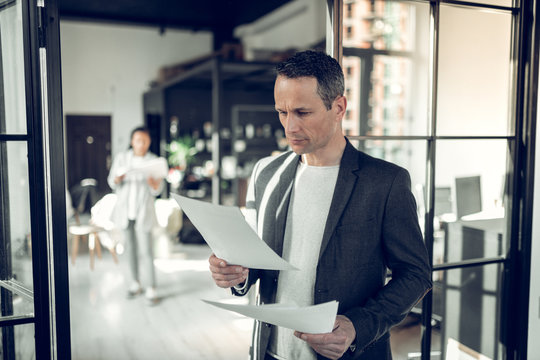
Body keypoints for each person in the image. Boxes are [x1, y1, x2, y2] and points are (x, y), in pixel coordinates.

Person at [208, 50, 432, 360]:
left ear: (338, 107)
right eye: (282, 112)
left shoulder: (385, 182)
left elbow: (416, 275)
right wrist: (237, 273)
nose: (290, 126)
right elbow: (260, 258)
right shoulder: (266, 172)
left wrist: (356, 326)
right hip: (270, 351)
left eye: (302, 112)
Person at [108, 126, 164, 305]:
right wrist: (117, 179)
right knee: (130, 249)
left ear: (149, 142)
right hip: (125, 212)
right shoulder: (122, 158)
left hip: (143, 212)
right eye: (138, 140)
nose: (141, 144)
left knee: (147, 251)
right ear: (132, 141)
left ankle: (152, 288)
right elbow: (111, 181)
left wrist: (153, 183)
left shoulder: (154, 160)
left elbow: (158, 190)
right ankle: (135, 283)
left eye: (145, 141)